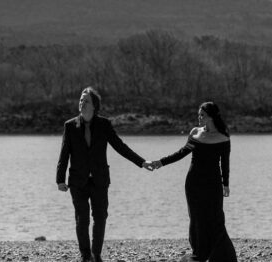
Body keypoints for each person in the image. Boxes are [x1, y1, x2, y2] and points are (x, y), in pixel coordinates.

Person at [56, 86, 151, 261]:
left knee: (100, 218)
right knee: (81, 219)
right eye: (81, 100)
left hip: (99, 180)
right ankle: (86, 256)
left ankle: (96, 254)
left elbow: (120, 146)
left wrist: (141, 162)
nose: (82, 103)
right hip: (78, 181)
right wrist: (60, 179)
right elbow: (64, 153)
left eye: (86, 101)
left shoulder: (104, 125)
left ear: (94, 106)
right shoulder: (70, 126)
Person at [147, 101, 237, 262]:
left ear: (211, 117)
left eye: (202, 115)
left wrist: (226, 184)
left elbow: (225, 163)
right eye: (198, 115)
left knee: (215, 218)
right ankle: (199, 252)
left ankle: (222, 255)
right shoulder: (195, 133)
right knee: (196, 218)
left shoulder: (223, 137)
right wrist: (160, 162)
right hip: (193, 183)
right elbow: (181, 153)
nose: (199, 118)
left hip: (213, 184)